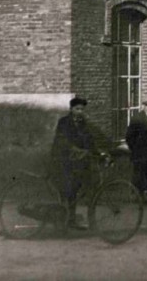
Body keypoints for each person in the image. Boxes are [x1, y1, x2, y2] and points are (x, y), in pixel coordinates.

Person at [51, 96, 104, 228]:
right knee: (69, 191)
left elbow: (89, 141)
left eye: (82, 109)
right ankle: (67, 220)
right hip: (64, 161)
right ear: (71, 109)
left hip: (79, 161)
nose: (80, 111)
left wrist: (99, 153)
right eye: (77, 109)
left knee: (88, 188)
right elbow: (61, 141)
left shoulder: (83, 123)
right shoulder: (63, 122)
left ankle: (89, 221)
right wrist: (76, 150)